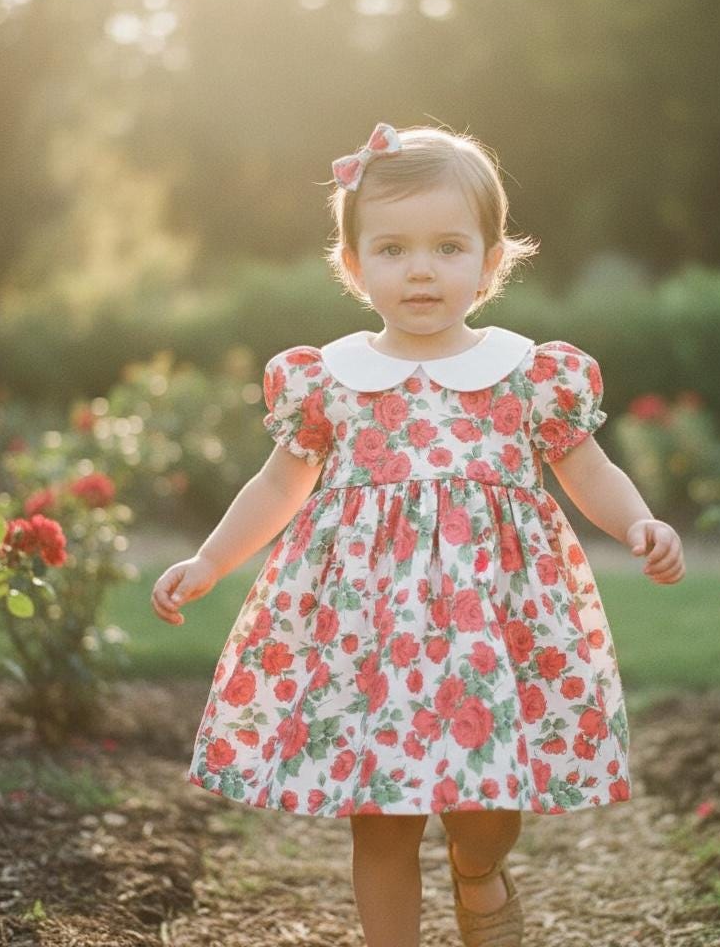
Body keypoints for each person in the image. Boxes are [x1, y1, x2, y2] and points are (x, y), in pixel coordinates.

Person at [151, 121, 685, 947]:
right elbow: (278, 484)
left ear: (490, 261)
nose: (422, 269)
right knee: (382, 821)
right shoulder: (331, 381)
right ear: (356, 266)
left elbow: (587, 470)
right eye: (393, 250)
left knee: (485, 809)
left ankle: (478, 873)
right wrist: (210, 559)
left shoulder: (526, 374)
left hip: (493, 625)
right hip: (368, 633)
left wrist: (640, 520)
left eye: (447, 246)